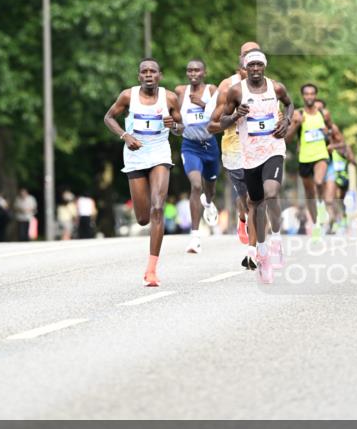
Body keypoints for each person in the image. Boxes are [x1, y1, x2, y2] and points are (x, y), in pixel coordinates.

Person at [212, 50, 293, 284]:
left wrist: (286, 121)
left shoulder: (275, 88)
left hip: (273, 149)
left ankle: (276, 239)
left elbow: (289, 104)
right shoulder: (236, 91)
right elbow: (222, 121)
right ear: (246, 68)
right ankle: (263, 252)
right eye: (251, 65)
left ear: (264, 66)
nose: (255, 69)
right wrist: (237, 114)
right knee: (256, 204)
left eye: (259, 65)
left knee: (271, 193)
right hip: (249, 155)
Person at [104, 57, 183, 286]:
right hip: (135, 154)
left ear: (159, 75)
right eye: (144, 71)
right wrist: (125, 135)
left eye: (153, 71)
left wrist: (174, 126)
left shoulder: (169, 98)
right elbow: (109, 117)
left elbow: (180, 127)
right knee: (142, 218)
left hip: (159, 152)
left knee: (158, 208)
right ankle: (150, 260)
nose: (149, 75)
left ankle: (151, 270)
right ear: (139, 76)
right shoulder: (128, 96)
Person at [209, 41, 261, 265]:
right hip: (234, 147)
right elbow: (214, 122)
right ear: (240, 61)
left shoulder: (266, 85)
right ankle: (242, 219)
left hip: (259, 147)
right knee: (245, 200)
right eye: (246, 56)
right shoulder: (227, 86)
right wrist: (233, 115)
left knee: (256, 200)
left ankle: (255, 251)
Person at [174, 59, 219, 254]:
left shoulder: (212, 90)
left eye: (197, 70)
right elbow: (177, 125)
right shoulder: (180, 92)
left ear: (204, 73)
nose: (193, 73)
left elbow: (220, 114)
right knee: (196, 185)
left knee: (209, 189)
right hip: (190, 146)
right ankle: (195, 238)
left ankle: (208, 203)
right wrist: (174, 128)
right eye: (190, 70)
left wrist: (202, 103)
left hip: (210, 146)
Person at [286, 84, 333, 236]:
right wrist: (296, 124)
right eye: (306, 94)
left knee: (319, 182)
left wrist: (328, 132)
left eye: (312, 94)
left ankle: (321, 206)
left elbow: (332, 132)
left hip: (321, 155)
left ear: (316, 95)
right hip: (305, 157)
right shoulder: (298, 114)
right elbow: (288, 139)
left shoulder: (324, 114)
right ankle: (316, 225)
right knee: (309, 193)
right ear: (303, 96)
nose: (309, 97)